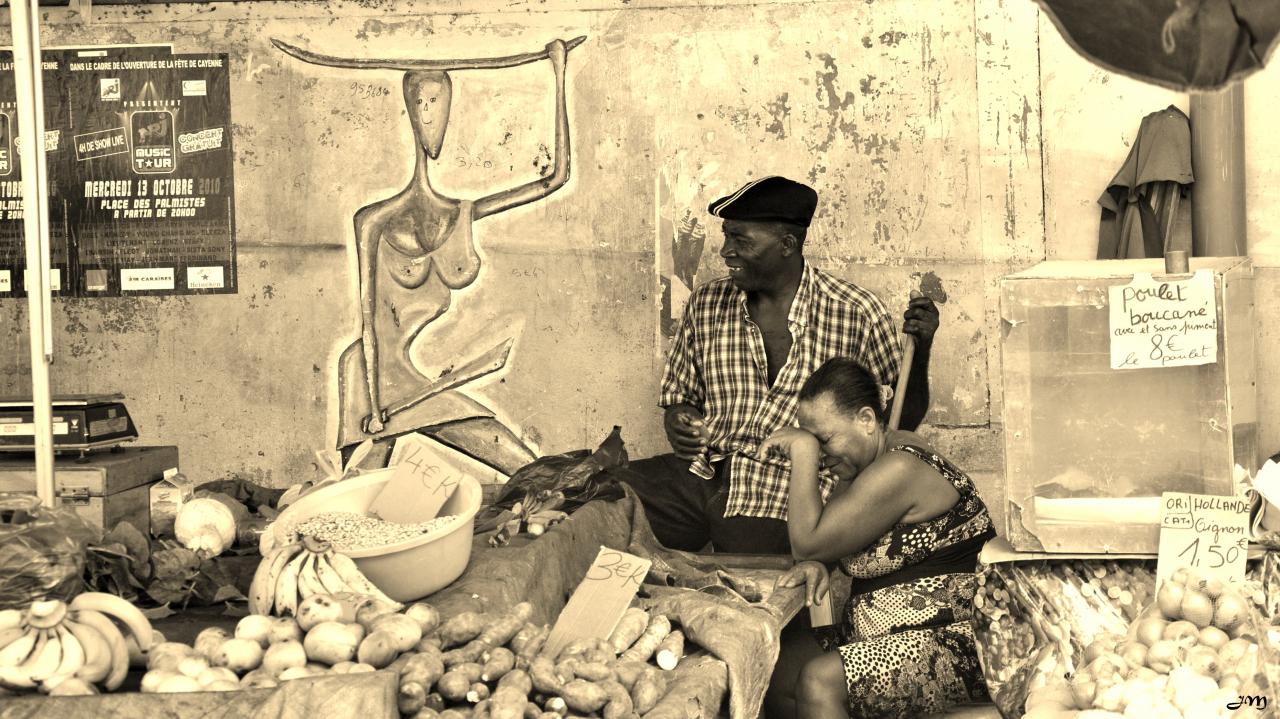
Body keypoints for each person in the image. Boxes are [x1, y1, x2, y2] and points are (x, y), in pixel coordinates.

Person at [614, 175, 940, 554]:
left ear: (787, 245)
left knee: (756, 588)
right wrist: (680, 420)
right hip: (705, 472)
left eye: (741, 241)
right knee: (594, 498)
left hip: (785, 486)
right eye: (726, 236)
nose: (725, 252)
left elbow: (901, 419)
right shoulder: (706, 303)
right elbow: (681, 397)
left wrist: (923, 348)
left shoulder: (856, 311)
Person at [760, 357, 994, 719]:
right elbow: (825, 543)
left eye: (823, 439)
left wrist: (802, 453)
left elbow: (808, 540)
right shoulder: (861, 468)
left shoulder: (901, 467)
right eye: (811, 441)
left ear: (867, 421)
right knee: (776, 670)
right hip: (882, 637)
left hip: (960, 642)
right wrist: (817, 562)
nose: (821, 455)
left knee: (818, 682)